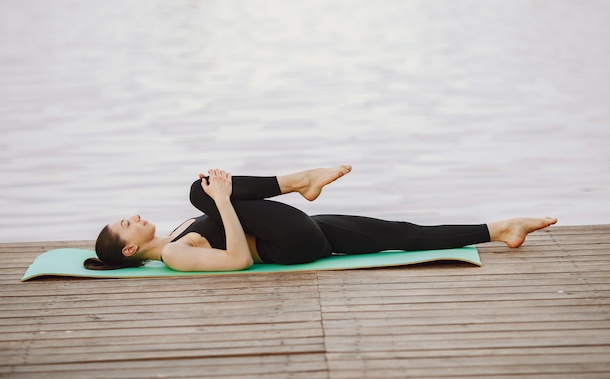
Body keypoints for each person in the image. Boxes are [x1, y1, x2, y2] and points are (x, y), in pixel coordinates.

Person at [84, 165, 557, 271]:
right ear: (129, 249)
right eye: (127, 224)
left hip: (304, 233)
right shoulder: (172, 254)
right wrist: (222, 202)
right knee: (199, 190)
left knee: (400, 234)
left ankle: (499, 229)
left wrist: (222, 201)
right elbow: (237, 263)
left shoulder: (175, 232)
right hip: (288, 246)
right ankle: (298, 181)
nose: (135, 216)